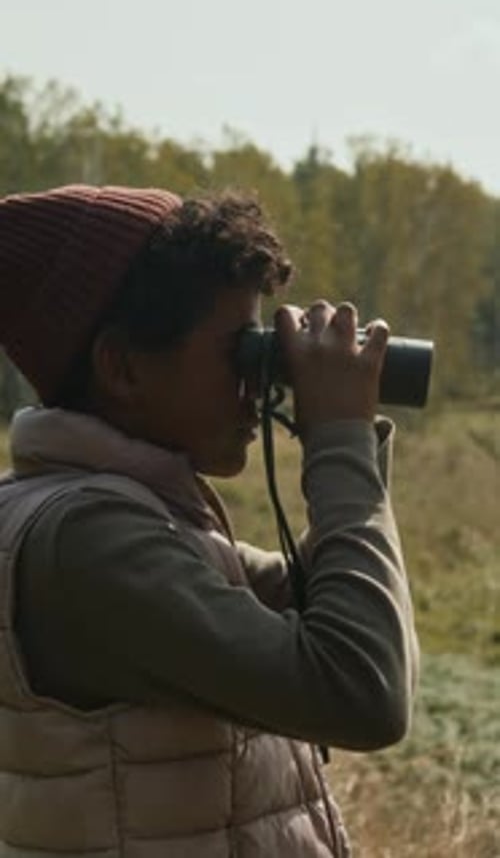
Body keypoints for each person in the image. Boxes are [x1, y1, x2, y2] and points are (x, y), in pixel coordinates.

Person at [0, 184, 419, 858]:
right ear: (122, 368)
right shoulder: (86, 543)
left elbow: (331, 606)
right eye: (239, 352)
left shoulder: (123, 518)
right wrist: (339, 437)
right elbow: (362, 691)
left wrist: (351, 430)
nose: (259, 383)